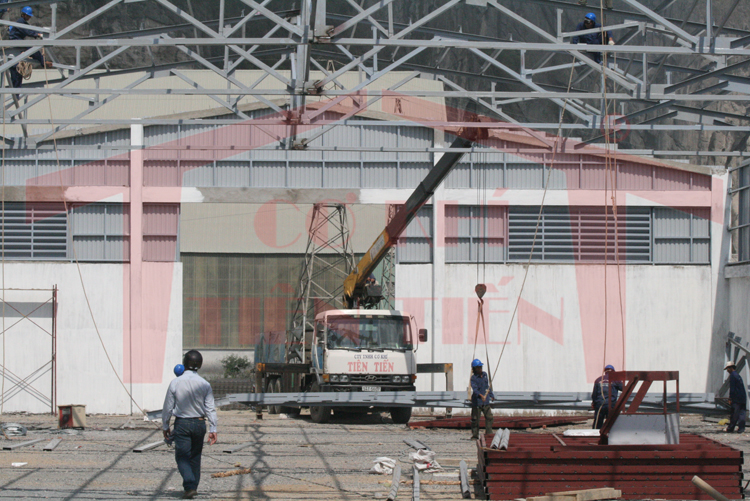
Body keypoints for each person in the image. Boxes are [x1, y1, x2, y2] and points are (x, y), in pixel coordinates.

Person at [162, 350, 218, 500]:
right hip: (200, 423)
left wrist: (165, 426)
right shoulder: (205, 384)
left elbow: (168, 407)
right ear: (199, 365)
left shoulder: (175, 382)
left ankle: (189, 483)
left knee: (182, 456)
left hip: (182, 424)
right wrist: (213, 428)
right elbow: (210, 408)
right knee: (195, 457)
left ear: (184, 363)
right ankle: (191, 488)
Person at [7, 6, 53, 89]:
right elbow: (27, 31)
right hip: (16, 41)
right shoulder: (20, 22)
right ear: (23, 15)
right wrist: (38, 34)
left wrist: (38, 33)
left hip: (18, 41)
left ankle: (43, 61)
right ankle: (43, 62)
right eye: (28, 16)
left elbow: (30, 30)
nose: (29, 18)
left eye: (29, 16)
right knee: (32, 50)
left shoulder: (23, 22)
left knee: (31, 51)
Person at [591, 364, 623, 429]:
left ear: (605, 371)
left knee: (597, 423)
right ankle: (611, 435)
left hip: (600, 404)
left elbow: (594, 394)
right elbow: (624, 389)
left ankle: (595, 435)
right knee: (611, 423)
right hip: (611, 405)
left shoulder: (598, 380)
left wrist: (594, 403)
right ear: (613, 372)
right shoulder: (616, 380)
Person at [469, 359, 494, 440]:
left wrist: (491, 395)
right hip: (477, 402)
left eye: (481, 367)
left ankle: (489, 433)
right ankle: (475, 435)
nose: (480, 368)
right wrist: (481, 396)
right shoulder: (473, 378)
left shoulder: (485, 375)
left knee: (489, 417)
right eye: (479, 367)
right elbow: (475, 389)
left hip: (485, 401)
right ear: (475, 368)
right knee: (475, 419)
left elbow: (487, 387)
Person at [725, 361, 746, 433]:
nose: (727, 370)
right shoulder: (738, 375)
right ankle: (741, 429)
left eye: (728, 368)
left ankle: (730, 428)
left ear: (730, 368)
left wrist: (731, 398)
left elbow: (732, 388)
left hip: (736, 398)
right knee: (742, 414)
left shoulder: (732, 376)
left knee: (734, 414)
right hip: (742, 398)